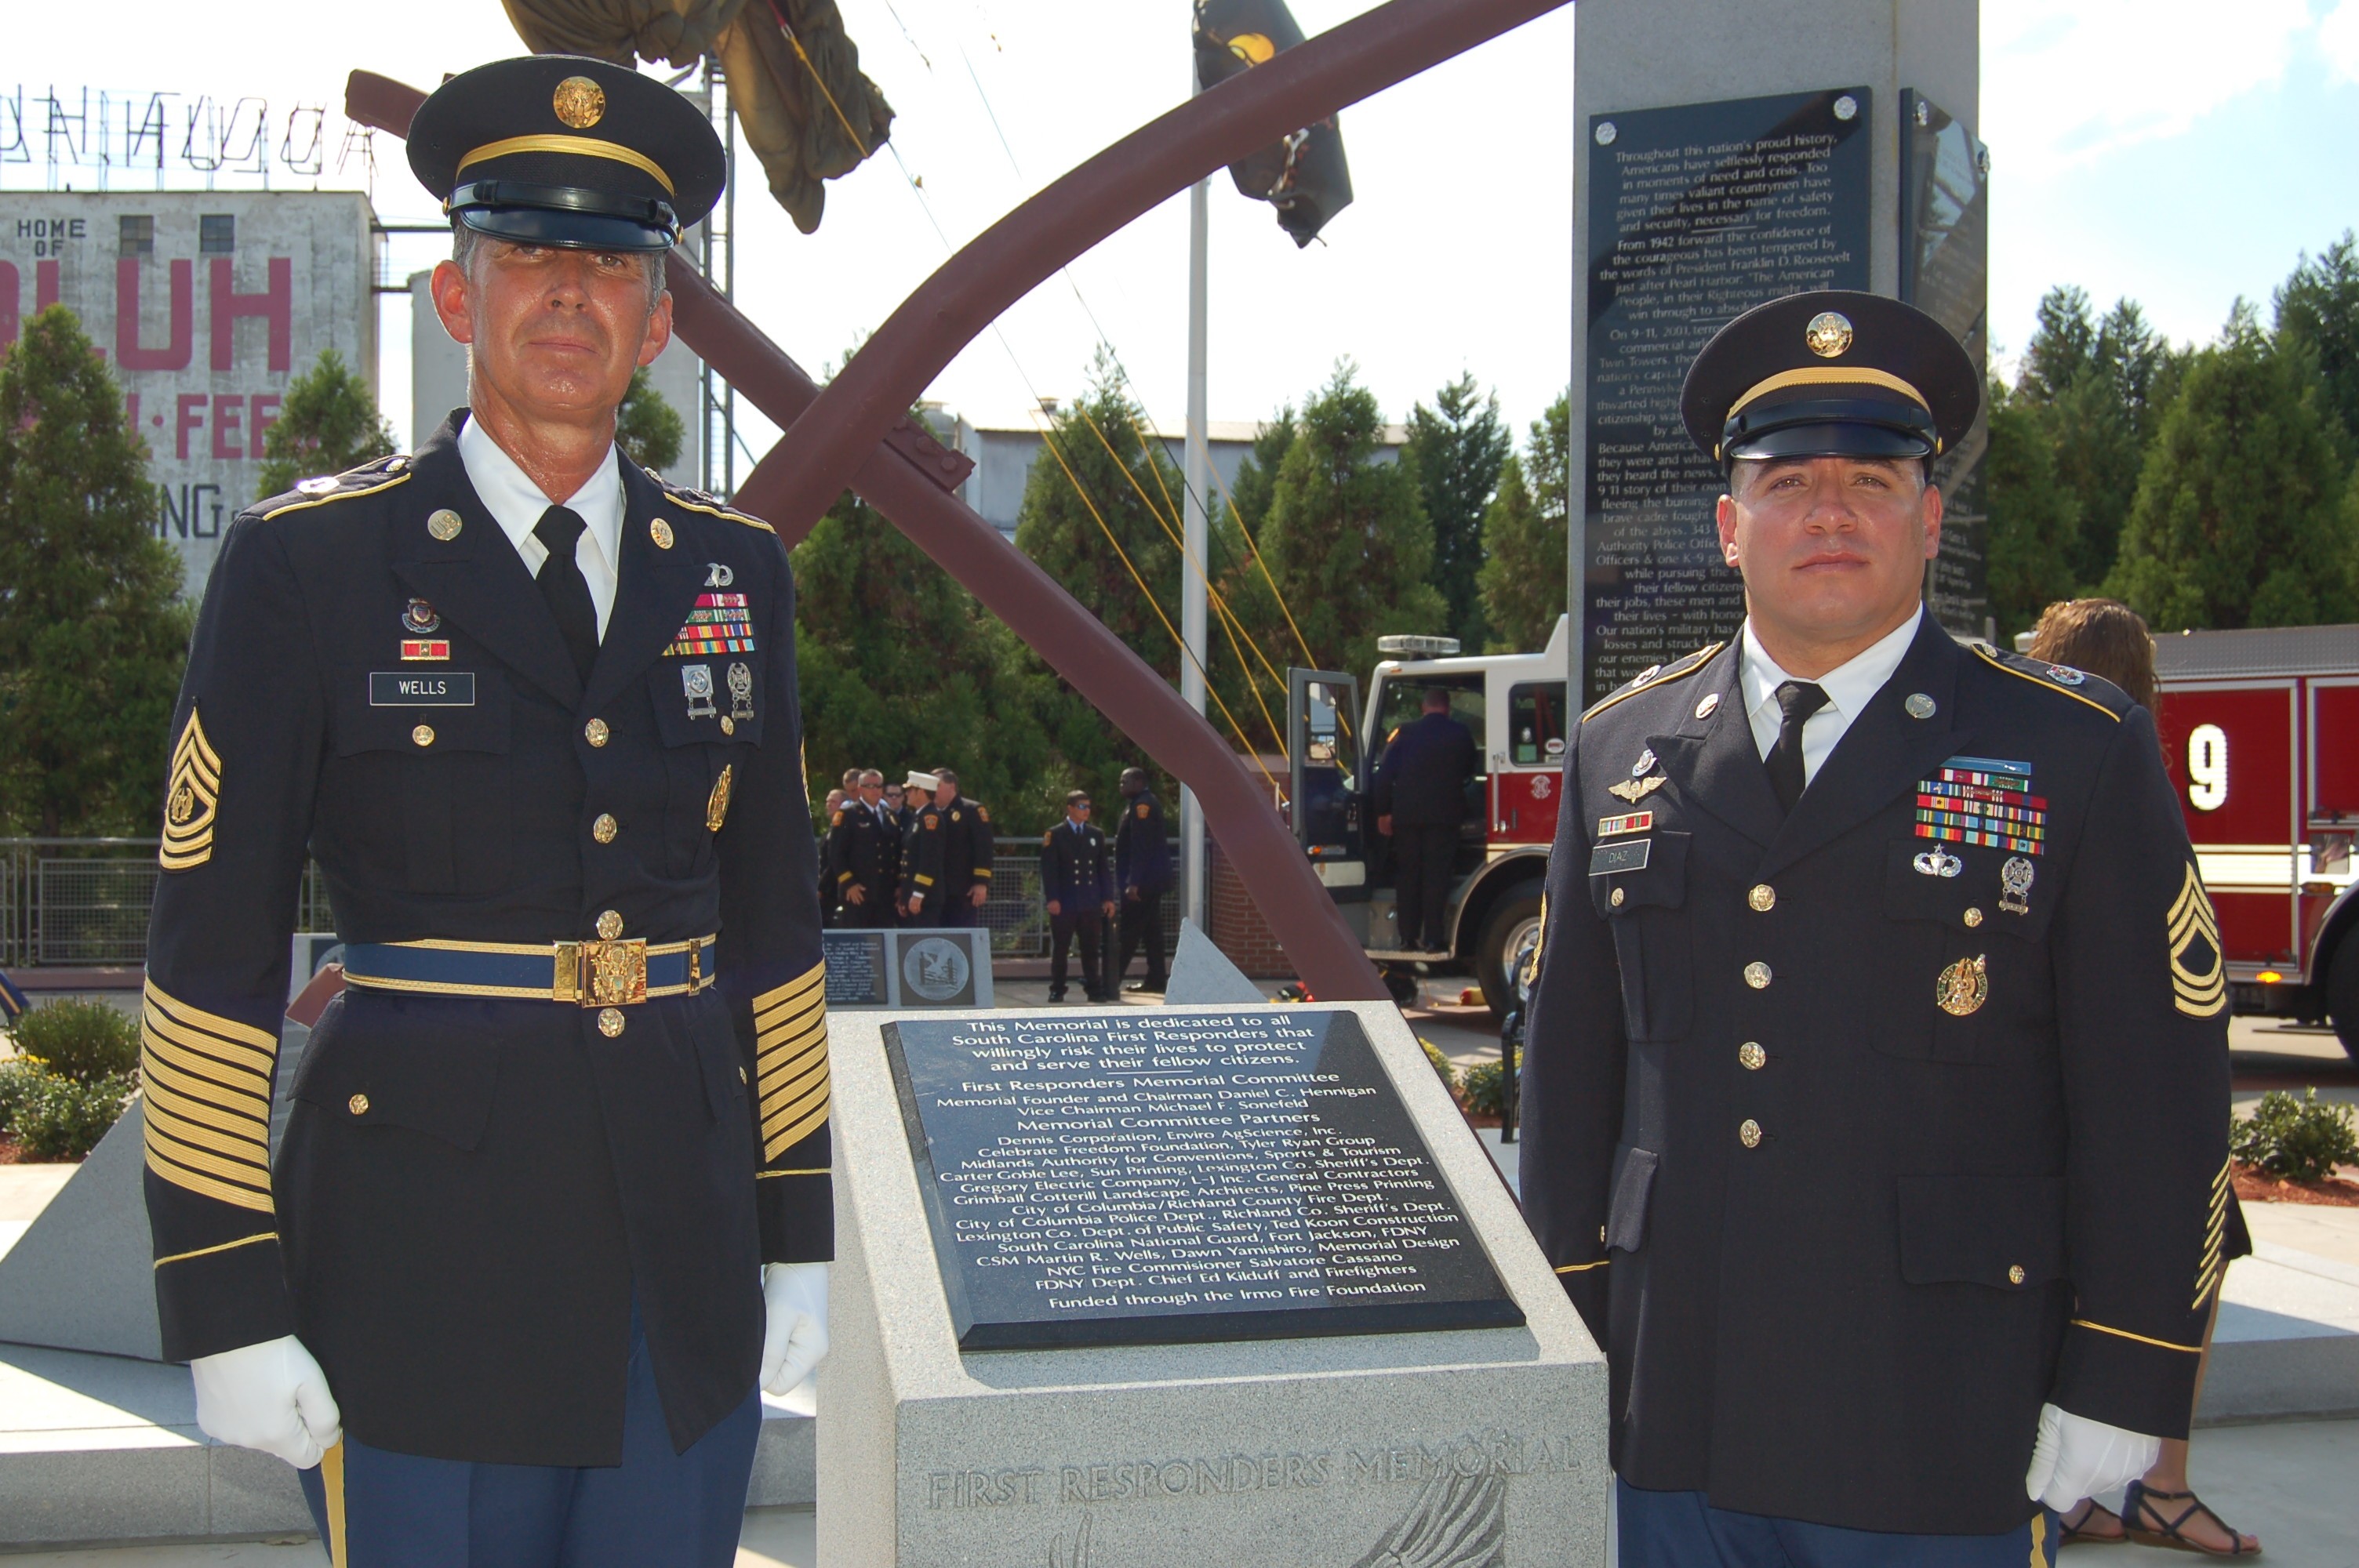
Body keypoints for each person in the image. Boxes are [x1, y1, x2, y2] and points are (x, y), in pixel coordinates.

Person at [137, 56, 831, 1566]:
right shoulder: (306, 569)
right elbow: (210, 958)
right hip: (415, 1275)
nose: (568, 295)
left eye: (609, 266)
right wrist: (221, 1299)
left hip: (680, 1263)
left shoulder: (733, 573)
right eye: (526, 256)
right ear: (458, 302)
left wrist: (802, 1235)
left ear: (658, 323)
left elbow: (776, 930)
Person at [1519, 291, 2232, 1566]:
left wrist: (2125, 1373)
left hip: (1941, 1411)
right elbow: (1570, 1085)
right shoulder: (1616, 749)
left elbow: (2154, 1091)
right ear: (1729, 528)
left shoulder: (2064, 750)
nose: (1830, 509)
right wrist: (1564, 1346)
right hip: (1672, 1405)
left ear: (1929, 515)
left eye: (1872, 477)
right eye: (1787, 480)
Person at [2023, 599, 2259, 1559]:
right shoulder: (2126, 769)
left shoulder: (2014, 763)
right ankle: (2158, 1486)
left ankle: (2067, 1491)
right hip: (2121, 1096)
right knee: (2197, 1261)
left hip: (2029, 1098)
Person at [1371, 687, 1478, 953]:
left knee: (1408, 877)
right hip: (1445, 818)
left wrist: (1384, 812)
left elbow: (1384, 776)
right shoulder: (1461, 734)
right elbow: (1469, 772)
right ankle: (1433, 938)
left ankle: (1407, 938)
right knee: (1437, 878)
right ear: (1447, 708)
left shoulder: (1403, 733)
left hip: (1407, 818)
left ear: (1423, 707)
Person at [1040, 790, 1117, 1002]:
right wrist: (1052, 898)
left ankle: (1094, 988)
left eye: (1088, 807)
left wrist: (1108, 898)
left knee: (1090, 948)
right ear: (1070, 808)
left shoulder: (1095, 835)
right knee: (1061, 948)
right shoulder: (1055, 834)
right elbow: (1050, 870)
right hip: (1065, 902)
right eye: (1082, 807)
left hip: (1089, 901)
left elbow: (1103, 869)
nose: (1086, 811)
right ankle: (1057, 988)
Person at [907, 768, 994, 929]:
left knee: (960, 933)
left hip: (961, 888)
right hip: (935, 889)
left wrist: (981, 882)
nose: (933, 790)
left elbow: (984, 848)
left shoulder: (971, 810)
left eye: (938, 785)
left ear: (952, 787)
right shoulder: (928, 814)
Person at [1113, 767, 1172, 993]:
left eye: (1124, 781)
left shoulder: (1142, 806)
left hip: (1143, 884)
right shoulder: (1138, 803)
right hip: (1150, 881)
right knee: (1152, 933)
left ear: (1138, 782)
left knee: (1129, 931)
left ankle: (1111, 979)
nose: (1121, 785)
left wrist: (1133, 882)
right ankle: (1156, 980)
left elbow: (1141, 847)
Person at [823, 768, 897, 929]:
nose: (875, 790)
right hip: (858, 892)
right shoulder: (847, 814)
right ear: (860, 789)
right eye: (870, 786)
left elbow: (895, 852)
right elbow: (836, 853)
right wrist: (849, 883)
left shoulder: (889, 815)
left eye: (879, 786)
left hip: (884, 893)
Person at [896, 771, 941, 924]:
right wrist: (905, 895)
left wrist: (919, 893)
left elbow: (929, 858)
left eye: (910, 790)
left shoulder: (931, 818)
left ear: (921, 792)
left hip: (926, 897)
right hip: (913, 893)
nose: (906, 794)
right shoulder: (918, 817)